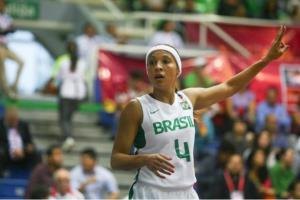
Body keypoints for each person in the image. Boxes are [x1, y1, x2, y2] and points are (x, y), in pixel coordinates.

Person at [111, 26, 288, 199]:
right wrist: (144, 159)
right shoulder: (136, 107)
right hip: (151, 192)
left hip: (186, 192)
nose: (158, 66)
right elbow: (116, 160)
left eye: (165, 61)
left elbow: (229, 86)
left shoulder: (189, 99)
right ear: (148, 71)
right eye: (152, 63)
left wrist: (266, 60)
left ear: (178, 70)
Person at [57, 41, 87, 151]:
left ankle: (68, 138)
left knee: (64, 118)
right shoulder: (82, 63)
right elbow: (84, 78)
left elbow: (59, 78)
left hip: (66, 92)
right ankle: (67, 137)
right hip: (78, 93)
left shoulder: (63, 62)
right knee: (69, 118)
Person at [0, 105, 40, 177]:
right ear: (6, 118)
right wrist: (12, 150)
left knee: (36, 154)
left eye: (16, 120)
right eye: (11, 120)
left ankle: (35, 176)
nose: (14, 122)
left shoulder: (23, 125)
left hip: (22, 152)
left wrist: (25, 148)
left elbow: (29, 141)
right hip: (6, 153)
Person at [0, 0, 23, 99]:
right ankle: (7, 91)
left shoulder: (6, 17)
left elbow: (13, 28)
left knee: (21, 62)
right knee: (2, 69)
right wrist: (6, 30)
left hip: (6, 46)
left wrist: (6, 30)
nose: (2, 6)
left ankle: (14, 86)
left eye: (3, 4)